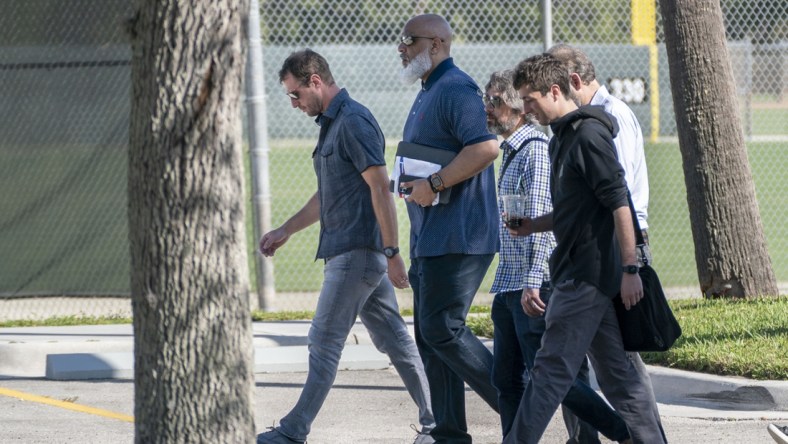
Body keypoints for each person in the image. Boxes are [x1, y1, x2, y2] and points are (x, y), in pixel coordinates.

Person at [256, 49, 435, 444]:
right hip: (353, 254)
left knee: (323, 341)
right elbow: (327, 195)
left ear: (316, 80)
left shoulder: (353, 121)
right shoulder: (332, 125)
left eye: (295, 94)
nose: (294, 103)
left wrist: (392, 253)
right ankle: (436, 424)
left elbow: (380, 189)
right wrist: (286, 230)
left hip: (358, 255)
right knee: (395, 341)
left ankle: (292, 431)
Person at [503, 53, 665, 444]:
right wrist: (535, 225)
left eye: (529, 100)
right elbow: (574, 209)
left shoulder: (588, 135)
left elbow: (618, 202)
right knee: (621, 379)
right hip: (583, 275)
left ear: (555, 90)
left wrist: (630, 271)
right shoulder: (562, 138)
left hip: (586, 278)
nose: (525, 108)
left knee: (549, 373)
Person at [484, 70, 631, 444]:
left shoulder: (534, 147)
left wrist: (534, 279)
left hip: (532, 284)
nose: (488, 108)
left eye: (495, 101)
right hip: (508, 280)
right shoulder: (513, 150)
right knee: (507, 378)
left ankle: (617, 431)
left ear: (518, 108)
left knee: (553, 377)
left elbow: (555, 221)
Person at [396, 13, 500, 444]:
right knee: (428, 336)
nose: (400, 48)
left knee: (442, 328)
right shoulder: (428, 90)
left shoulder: (456, 88)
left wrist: (434, 183)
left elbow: (485, 147)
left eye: (408, 40)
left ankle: (523, 401)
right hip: (429, 237)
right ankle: (450, 435)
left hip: (460, 235)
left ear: (436, 43)